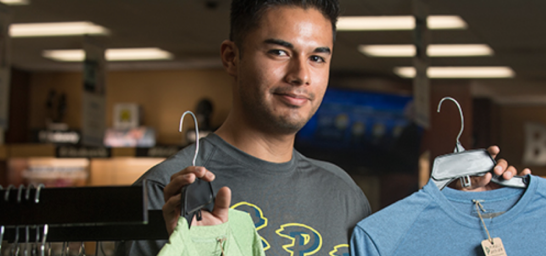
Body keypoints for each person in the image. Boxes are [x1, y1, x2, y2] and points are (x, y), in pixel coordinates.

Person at [115, 0, 530, 255]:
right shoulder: (166, 190)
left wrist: (466, 217)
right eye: (279, 51)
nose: (301, 75)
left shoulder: (344, 193)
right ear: (231, 57)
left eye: (318, 57)